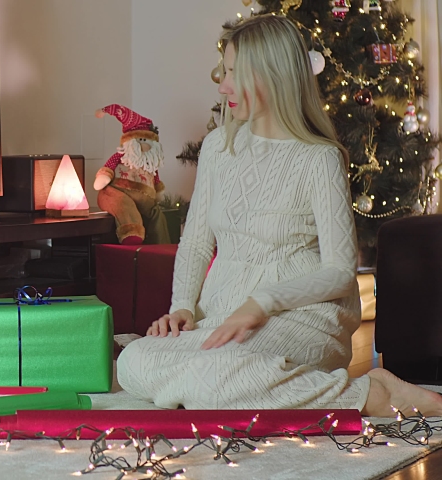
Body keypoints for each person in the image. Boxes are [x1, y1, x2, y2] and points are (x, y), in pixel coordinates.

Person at [115, 15, 442, 418]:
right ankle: (293, 389)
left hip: (304, 317)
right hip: (226, 314)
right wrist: (182, 305)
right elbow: (197, 240)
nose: (222, 85)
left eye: (235, 72)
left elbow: (341, 271)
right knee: (134, 361)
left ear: (270, 76)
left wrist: (262, 302)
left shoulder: (319, 158)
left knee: (211, 378)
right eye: (225, 70)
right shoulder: (219, 147)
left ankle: (369, 395)